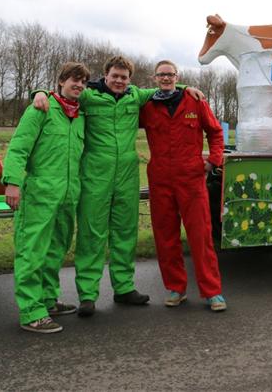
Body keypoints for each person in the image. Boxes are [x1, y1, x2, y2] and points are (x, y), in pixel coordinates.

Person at [33, 57, 203, 317]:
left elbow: (164, 88)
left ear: (130, 80)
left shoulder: (135, 96)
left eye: (124, 77)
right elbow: (64, 92)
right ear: (106, 75)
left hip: (126, 176)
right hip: (95, 177)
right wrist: (40, 93)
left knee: (125, 233)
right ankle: (88, 294)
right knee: (92, 234)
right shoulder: (89, 96)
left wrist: (186, 87)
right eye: (115, 76)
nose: (119, 81)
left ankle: (124, 288)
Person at [2, 62, 90, 333]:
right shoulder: (40, 108)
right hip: (39, 193)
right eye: (74, 80)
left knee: (55, 250)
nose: (79, 85)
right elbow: (18, 148)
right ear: (61, 81)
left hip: (67, 194)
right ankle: (31, 312)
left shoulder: (79, 115)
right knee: (32, 250)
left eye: (83, 82)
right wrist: (12, 182)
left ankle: (48, 300)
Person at [139, 60, 226, 311]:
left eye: (170, 74)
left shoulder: (195, 101)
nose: (166, 78)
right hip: (160, 179)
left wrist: (213, 161)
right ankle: (176, 288)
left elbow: (215, 132)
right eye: (161, 75)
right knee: (166, 236)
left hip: (191, 179)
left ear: (177, 77)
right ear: (154, 78)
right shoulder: (148, 106)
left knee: (200, 236)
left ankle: (212, 292)